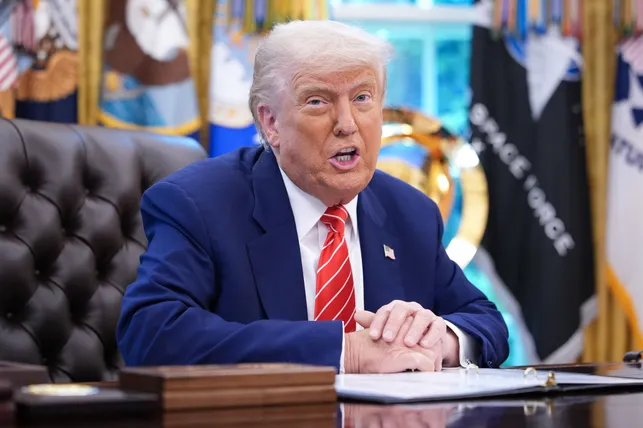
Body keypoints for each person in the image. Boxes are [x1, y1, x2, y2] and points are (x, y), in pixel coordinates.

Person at [116, 20, 509, 373]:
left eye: (363, 98)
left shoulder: (410, 211)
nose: (347, 124)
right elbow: (151, 333)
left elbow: (485, 321)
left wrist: (442, 340)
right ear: (271, 122)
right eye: (318, 101)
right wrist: (344, 352)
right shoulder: (199, 204)